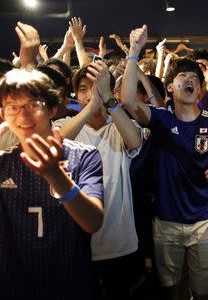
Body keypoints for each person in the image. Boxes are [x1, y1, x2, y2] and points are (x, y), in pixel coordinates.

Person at [120, 25, 208, 300]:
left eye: (195, 77)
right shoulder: (160, 119)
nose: (189, 79)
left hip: (204, 222)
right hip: (165, 222)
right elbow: (129, 100)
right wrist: (134, 51)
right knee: (173, 289)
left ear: (201, 90)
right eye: (182, 76)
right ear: (170, 86)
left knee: (203, 291)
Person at [0, 68, 104, 299]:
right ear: (3, 114)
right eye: (13, 107)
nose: (22, 116)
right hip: (12, 285)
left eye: (32, 105)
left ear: (51, 108)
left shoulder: (85, 157)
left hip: (68, 283)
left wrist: (55, 175)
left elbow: (93, 222)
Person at [53, 59, 144, 300]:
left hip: (118, 241)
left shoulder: (122, 126)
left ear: (110, 91)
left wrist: (108, 100)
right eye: (83, 88)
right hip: (75, 243)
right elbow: (55, 143)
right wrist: (91, 108)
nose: (90, 93)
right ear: (75, 94)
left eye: (97, 86)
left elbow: (134, 141)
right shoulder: (65, 124)